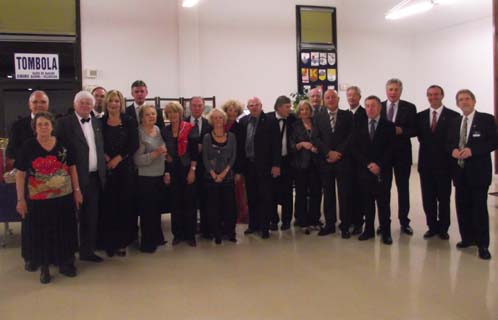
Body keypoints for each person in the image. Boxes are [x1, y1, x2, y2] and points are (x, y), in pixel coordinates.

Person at [15, 112, 82, 283]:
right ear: (34, 127)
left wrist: (77, 190)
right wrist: (20, 199)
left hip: (63, 197)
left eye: (46, 124)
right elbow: (21, 174)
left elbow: (72, 168)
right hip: (38, 200)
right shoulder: (27, 146)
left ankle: (65, 263)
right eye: (40, 124)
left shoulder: (63, 145)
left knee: (65, 229)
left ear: (52, 126)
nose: (43, 127)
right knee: (41, 233)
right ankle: (44, 266)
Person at [56, 91, 106, 263]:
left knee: (91, 217)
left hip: (94, 178)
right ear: (75, 104)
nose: (85, 105)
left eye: (88, 103)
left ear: (93, 106)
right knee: (70, 218)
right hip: (73, 178)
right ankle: (67, 254)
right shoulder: (63, 123)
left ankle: (87, 251)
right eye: (82, 102)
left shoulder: (97, 123)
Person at [448, 89, 496, 260]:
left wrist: (473, 150)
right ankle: (467, 238)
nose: (464, 102)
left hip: (479, 173)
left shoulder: (486, 119)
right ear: (457, 104)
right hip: (460, 173)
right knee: (462, 207)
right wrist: (452, 150)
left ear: (474, 101)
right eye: (461, 99)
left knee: (479, 209)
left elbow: (493, 141)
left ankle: (483, 245)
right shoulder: (455, 122)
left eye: (467, 98)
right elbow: (448, 142)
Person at [6, 90, 49, 272]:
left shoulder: (55, 123)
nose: (39, 105)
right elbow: (11, 153)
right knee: (30, 221)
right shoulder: (19, 126)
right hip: (29, 182)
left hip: (50, 182)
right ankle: (31, 257)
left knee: (50, 220)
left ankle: (50, 255)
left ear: (48, 104)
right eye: (36, 102)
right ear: (29, 105)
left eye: (43, 102)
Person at [351, 96, 395, 245]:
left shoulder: (389, 126)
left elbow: (391, 150)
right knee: (367, 203)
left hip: (382, 172)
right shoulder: (359, 125)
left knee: (383, 203)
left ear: (380, 108)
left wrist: (379, 165)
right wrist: (368, 164)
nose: (370, 109)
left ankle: (386, 232)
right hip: (364, 171)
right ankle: (368, 230)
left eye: (373, 106)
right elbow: (355, 148)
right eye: (367, 106)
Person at [99, 90, 139, 256]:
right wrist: (105, 156)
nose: (113, 104)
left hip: (125, 168)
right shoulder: (100, 121)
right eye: (111, 101)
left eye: (116, 101)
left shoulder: (129, 120)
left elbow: (134, 144)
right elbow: (96, 142)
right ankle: (110, 243)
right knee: (109, 207)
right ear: (106, 103)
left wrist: (118, 158)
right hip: (107, 170)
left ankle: (122, 243)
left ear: (120, 103)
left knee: (124, 206)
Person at [417, 85, 459, 240]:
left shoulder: (454, 116)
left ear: (442, 96)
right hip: (425, 165)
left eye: (436, 94)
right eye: (430, 94)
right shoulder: (420, 116)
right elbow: (420, 137)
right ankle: (432, 227)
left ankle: (443, 228)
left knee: (443, 198)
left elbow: (453, 140)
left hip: (445, 165)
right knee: (428, 198)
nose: (433, 97)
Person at [312, 89, 353, 238]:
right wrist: (328, 152)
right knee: (328, 194)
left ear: (338, 99)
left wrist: (338, 153)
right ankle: (330, 224)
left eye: (333, 97)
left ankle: (345, 225)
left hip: (343, 161)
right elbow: (315, 138)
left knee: (344, 194)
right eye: (327, 97)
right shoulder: (318, 117)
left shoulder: (347, 115)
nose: (330, 100)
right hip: (326, 161)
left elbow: (350, 136)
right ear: (324, 100)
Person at [239, 97, 281, 239]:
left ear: (261, 106)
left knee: (265, 197)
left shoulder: (270, 121)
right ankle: (253, 225)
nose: (254, 107)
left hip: (265, 165)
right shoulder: (244, 121)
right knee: (251, 197)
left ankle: (264, 227)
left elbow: (277, 144)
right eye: (251, 105)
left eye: (256, 105)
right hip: (249, 165)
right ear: (248, 107)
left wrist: (276, 164)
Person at [381, 78, 417, 235]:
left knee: (403, 189)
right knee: (384, 190)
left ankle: (404, 222)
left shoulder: (409, 107)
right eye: (390, 89)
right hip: (383, 156)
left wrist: (401, 131)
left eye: (396, 89)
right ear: (386, 91)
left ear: (400, 91)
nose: (393, 92)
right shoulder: (379, 106)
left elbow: (415, 130)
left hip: (402, 155)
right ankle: (384, 222)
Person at [162, 102, 199, 247]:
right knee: (175, 203)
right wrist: (166, 166)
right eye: (169, 112)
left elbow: (195, 153)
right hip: (172, 170)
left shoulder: (190, 128)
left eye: (175, 112)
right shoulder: (164, 131)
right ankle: (177, 234)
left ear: (180, 113)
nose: (172, 115)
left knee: (190, 202)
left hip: (187, 168)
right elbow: (163, 151)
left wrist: (192, 171)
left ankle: (190, 235)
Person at [133, 105, 167, 253]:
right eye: (148, 114)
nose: (151, 117)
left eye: (153, 114)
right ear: (141, 117)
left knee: (157, 210)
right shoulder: (138, 133)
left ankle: (157, 237)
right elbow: (137, 160)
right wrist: (156, 153)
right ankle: (147, 243)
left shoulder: (158, 130)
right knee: (147, 212)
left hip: (159, 174)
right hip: (145, 177)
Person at [202, 108, 237, 244]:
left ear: (224, 120)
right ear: (211, 120)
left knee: (229, 207)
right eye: (215, 118)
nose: (217, 120)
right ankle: (216, 234)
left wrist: (223, 174)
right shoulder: (206, 137)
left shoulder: (232, 136)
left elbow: (233, 157)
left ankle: (230, 233)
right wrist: (213, 174)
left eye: (220, 118)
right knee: (213, 208)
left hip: (227, 177)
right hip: (211, 178)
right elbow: (205, 158)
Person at [289, 100, 322, 234]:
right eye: (302, 109)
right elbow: (291, 146)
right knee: (301, 193)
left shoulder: (316, 123)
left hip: (316, 163)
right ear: (298, 112)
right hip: (300, 164)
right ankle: (301, 220)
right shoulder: (294, 126)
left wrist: (317, 148)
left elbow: (322, 139)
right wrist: (302, 144)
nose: (304, 112)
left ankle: (314, 219)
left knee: (316, 192)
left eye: (307, 109)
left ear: (310, 111)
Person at [267, 95, 296, 230]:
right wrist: (274, 164)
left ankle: (286, 220)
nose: (289, 109)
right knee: (271, 192)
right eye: (287, 107)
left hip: (288, 162)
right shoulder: (268, 119)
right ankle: (273, 219)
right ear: (278, 107)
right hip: (272, 162)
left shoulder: (292, 119)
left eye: (290, 107)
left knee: (287, 193)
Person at [186, 96, 211, 238]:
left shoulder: (209, 123)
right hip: (188, 166)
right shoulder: (182, 123)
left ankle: (205, 229)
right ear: (189, 107)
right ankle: (190, 229)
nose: (197, 108)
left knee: (205, 199)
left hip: (205, 167)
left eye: (199, 105)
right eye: (194, 105)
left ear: (203, 107)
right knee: (190, 199)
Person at [221, 99, 248, 223]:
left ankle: (240, 216)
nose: (232, 113)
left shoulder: (240, 128)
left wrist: (239, 170)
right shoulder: (220, 125)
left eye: (235, 111)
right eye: (229, 110)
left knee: (238, 193)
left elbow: (242, 151)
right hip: (221, 165)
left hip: (235, 165)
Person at [346, 86, 367, 235]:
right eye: (349, 96)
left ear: (360, 97)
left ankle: (359, 222)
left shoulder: (365, 114)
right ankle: (350, 220)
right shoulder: (344, 115)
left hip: (360, 159)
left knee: (360, 192)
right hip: (346, 160)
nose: (351, 98)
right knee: (349, 191)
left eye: (354, 95)